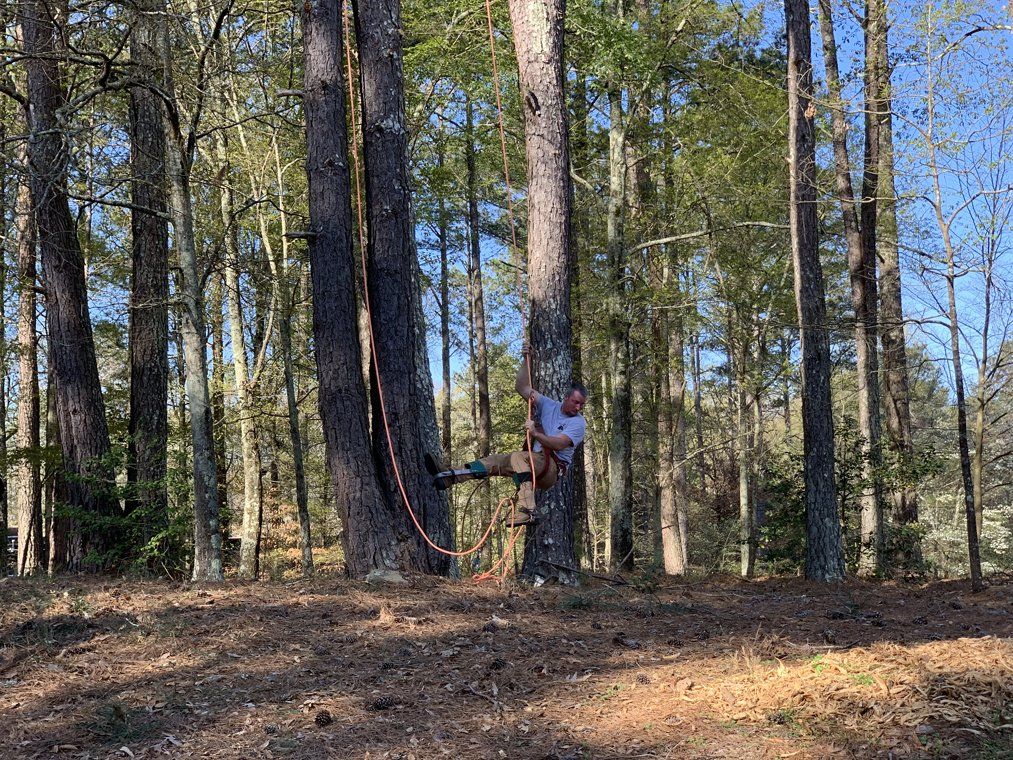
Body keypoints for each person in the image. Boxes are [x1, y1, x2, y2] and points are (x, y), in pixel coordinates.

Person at [425, 347, 587, 526]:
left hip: (552, 468)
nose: (579, 407)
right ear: (566, 398)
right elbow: (522, 387)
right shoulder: (548, 405)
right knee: (494, 461)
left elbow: (559, 444)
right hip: (533, 462)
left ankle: (527, 510)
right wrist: (527, 360)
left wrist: (535, 433)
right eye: (576, 402)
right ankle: (450, 475)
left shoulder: (578, 423)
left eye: (582, 404)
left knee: (519, 457)